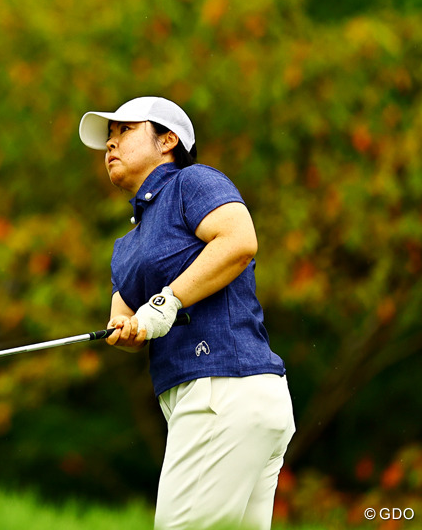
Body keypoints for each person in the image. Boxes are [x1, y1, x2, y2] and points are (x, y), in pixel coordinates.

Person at [77, 96, 296, 530]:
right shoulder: (127, 245)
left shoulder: (192, 182)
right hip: (216, 402)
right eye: (108, 137)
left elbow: (238, 241)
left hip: (222, 389)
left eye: (125, 130)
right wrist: (126, 332)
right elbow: (124, 322)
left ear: (168, 140)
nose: (111, 144)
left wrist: (166, 303)